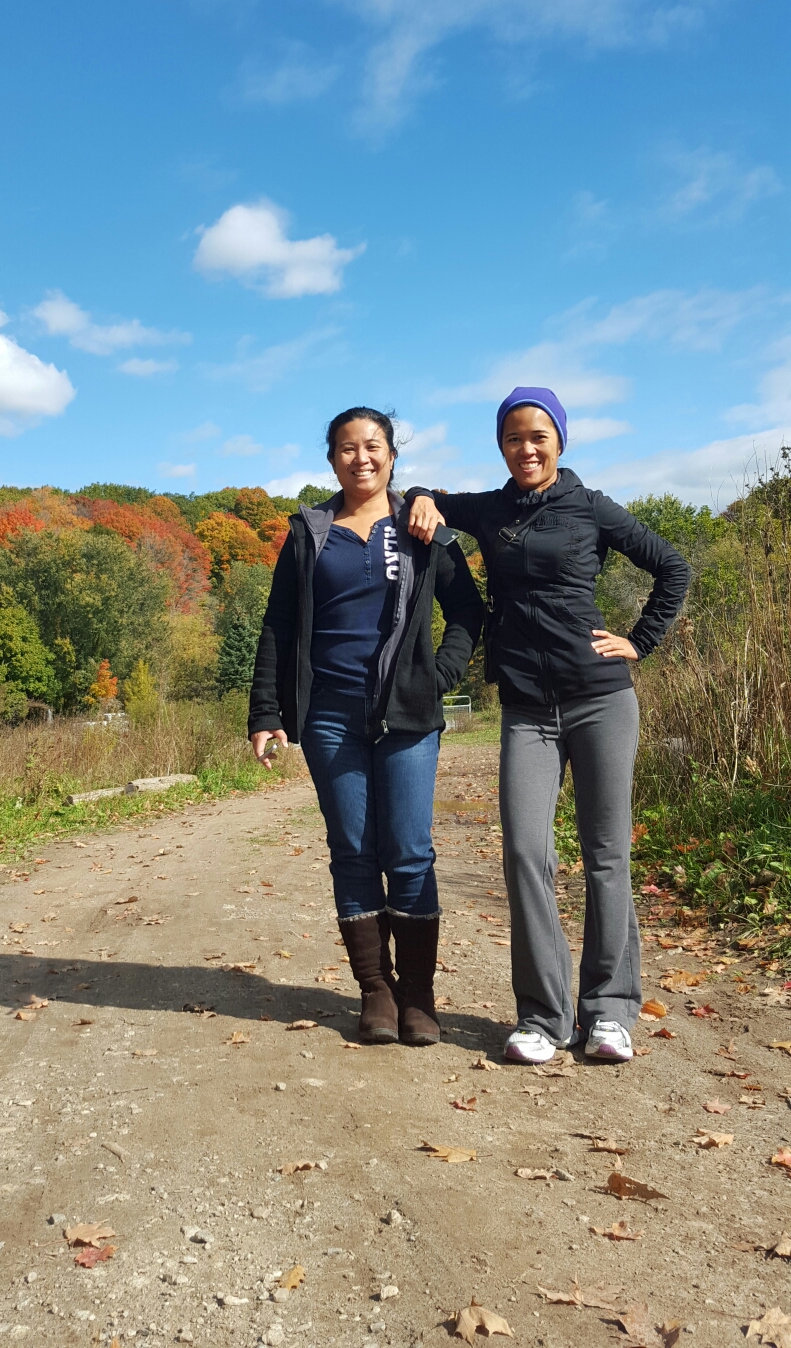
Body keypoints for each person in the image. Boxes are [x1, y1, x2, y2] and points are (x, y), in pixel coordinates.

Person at [405, 386, 691, 1064]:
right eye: (513, 438)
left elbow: (672, 568)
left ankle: (610, 1010)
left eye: (538, 436)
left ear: (560, 440)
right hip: (527, 708)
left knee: (606, 855)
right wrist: (418, 495)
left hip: (600, 699)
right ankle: (543, 1016)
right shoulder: (492, 509)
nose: (526, 449)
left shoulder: (590, 506)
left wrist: (640, 640)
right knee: (525, 853)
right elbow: (430, 496)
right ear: (500, 446)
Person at [248, 406, 483, 1047]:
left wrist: (440, 674)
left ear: (392, 456)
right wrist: (266, 711)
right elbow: (278, 625)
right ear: (332, 461)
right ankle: (376, 990)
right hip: (330, 715)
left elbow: (468, 611)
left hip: (408, 713)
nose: (361, 458)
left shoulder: (421, 527)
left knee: (409, 851)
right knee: (353, 850)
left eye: (373, 446)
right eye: (347, 448)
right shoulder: (310, 534)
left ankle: (419, 994)